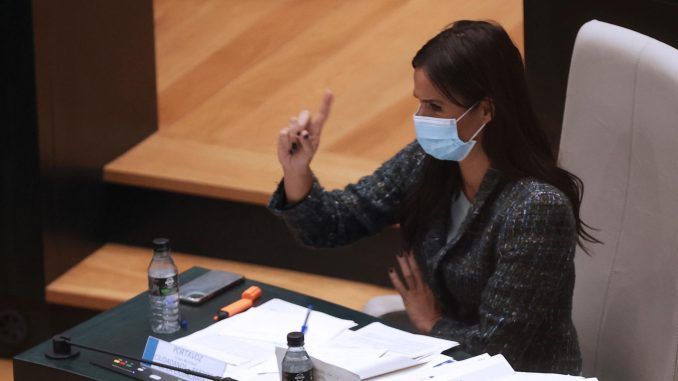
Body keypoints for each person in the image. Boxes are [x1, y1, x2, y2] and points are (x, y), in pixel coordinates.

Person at [268, 20, 598, 375]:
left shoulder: (536, 209)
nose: (420, 119)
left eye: (435, 107)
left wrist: (430, 321)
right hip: (439, 359)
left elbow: (499, 352)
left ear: (486, 110)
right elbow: (334, 225)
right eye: (420, 103)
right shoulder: (427, 162)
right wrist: (297, 171)